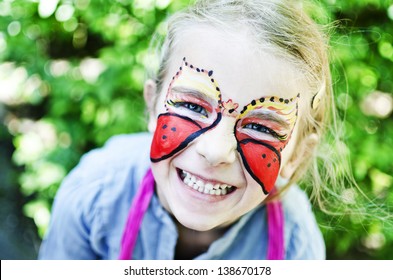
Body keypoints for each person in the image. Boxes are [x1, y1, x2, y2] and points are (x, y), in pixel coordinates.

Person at [38, 0, 340, 259]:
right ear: (152, 105)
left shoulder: (295, 246)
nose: (215, 151)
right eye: (193, 107)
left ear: (299, 153)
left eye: (261, 127)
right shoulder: (93, 197)